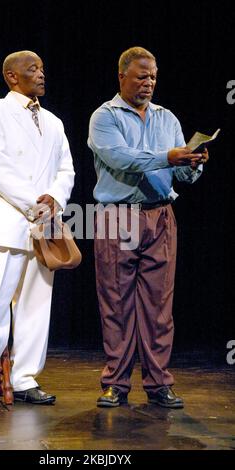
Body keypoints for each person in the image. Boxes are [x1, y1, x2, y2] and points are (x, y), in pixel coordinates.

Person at [88, 46, 209, 408]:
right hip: (118, 216)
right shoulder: (104, 116)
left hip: (160, 216)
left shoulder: (166, 118)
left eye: (153, 76)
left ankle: (159, 384)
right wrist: (168, 156)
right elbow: (121, 159)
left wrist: (193, 161)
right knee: (117, 303)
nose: (148, 83)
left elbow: (180, 173)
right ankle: (116, 384)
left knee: (159, 306)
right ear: (121, 76)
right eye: (141, 75)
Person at [0, 50, 75, 411]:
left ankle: (24, 379)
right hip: (5, 222)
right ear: (12, 76)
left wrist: (55, 198)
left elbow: (66, 170)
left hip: (42, 226)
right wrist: (35, 204)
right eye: (32, 69)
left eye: (42, 67)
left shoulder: (54, 122)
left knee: (35, 305)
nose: (41, 74)